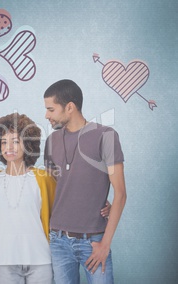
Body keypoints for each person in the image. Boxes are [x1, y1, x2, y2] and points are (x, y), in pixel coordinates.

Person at [43, 79, 127, 283]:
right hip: (58, 241)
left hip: (94, 240)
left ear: (69, 107)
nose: (47, 115)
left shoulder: (105, 136)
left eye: (51, 109)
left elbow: (121, 194)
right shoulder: (51, 141)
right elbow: (56, 188)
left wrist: (105, 244)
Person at [0, 112, 56, 283]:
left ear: (28, 145)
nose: (8, 147)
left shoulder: (43, 178)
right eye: (3, 142)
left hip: (40, 259)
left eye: (15, 141)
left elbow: (61, 210)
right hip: (6, 260)